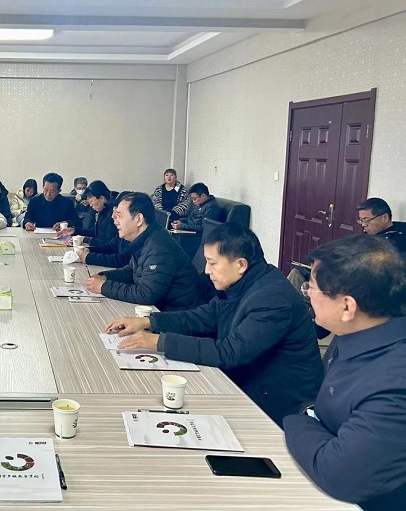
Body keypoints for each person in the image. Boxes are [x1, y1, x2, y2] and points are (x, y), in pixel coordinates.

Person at [105, 223, 323, 427]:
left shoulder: (272, 298)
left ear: (240, 264)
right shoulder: (243, 283)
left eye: (212, 263)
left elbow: (230, 352)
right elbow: (202, 317)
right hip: (246, 384)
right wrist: (149, 321)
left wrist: (159, 342)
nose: (207, 271)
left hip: (277, 407)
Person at [284, 236, 406, 509]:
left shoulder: (395, 382)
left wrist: (298, 419)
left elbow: (339, 474)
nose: (307, 294)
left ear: (347, 306)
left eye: (312, 287)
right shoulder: (358, 335)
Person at [84, 193, 204, 310]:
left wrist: (104, 286)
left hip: (178, 313)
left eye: (119, 216)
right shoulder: (145, 238)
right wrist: (105, 276)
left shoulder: (158, 247)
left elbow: (146, 294)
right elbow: (132, 271)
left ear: (138, 219)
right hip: (162, 309)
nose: (115, 221)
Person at [57, 180, 117, 247]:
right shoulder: (101, 212)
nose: (90, 205)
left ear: (102, 198)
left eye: (91, 201)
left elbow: (108, 244)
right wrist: (74, 230)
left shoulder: (112, 215)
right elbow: (93, 232)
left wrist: (85, 240)